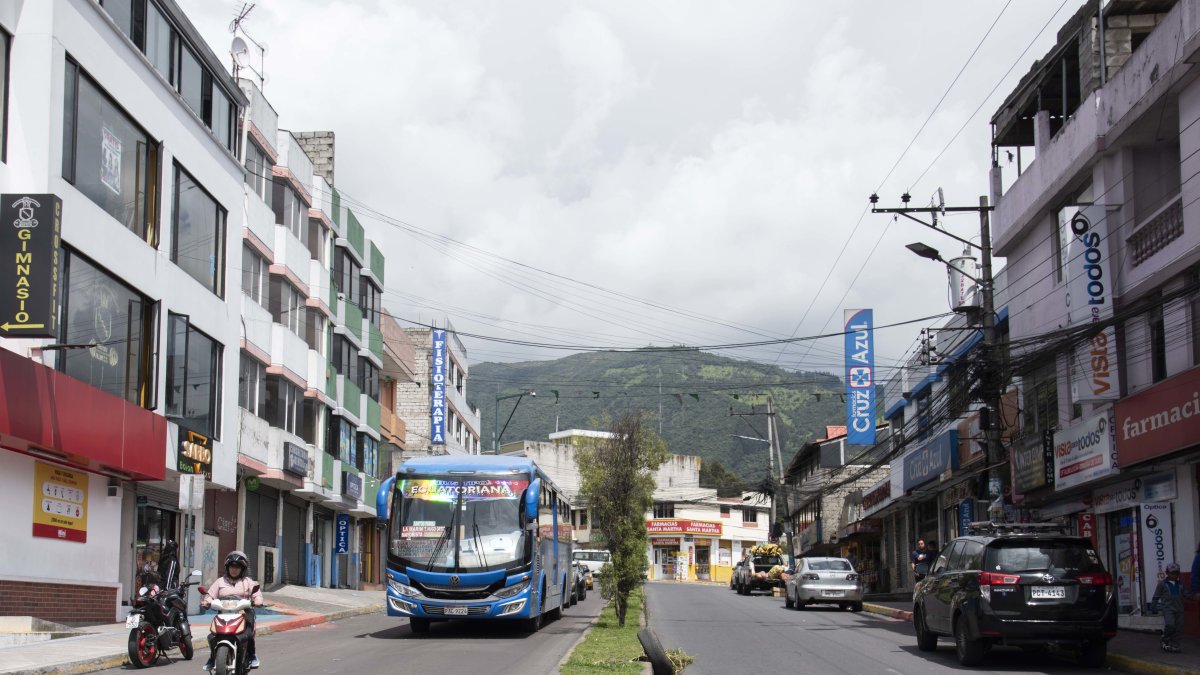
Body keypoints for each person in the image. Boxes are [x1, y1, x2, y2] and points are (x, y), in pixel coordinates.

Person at [201, 551, 264, 670]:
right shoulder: (220, 581)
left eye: (237, 567)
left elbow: (257, 594)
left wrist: (258, 600)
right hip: (224, 612)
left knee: (248, 633)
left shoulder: (248, 582)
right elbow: (210, 594)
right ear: (227, 567)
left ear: (242, 569)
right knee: (213, 635)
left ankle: (251, 656)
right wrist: (206, 601)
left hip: (243, 612)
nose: (234, 570)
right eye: (232, 567)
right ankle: (213, 657)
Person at [1152, 562, 1196, 653]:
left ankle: (1175, 644)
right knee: (1170, 625)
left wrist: (1194, 597)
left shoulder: (1181, 584)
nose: (1174, 575)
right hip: (1168, 609)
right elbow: (1156, 596)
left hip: (1179, 609)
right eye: (1172, 573)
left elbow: (1186, 594)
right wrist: (1154, 607)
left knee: (1179, 627)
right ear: (1167, 573)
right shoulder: (1162, 584)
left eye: (1176, 573)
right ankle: (1165, 640)